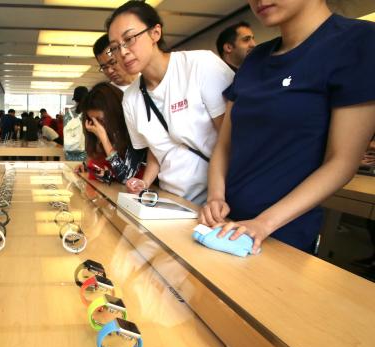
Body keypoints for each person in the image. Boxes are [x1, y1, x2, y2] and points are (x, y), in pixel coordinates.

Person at [199, 0, 375, 253]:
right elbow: (225, 145)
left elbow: (342, 162)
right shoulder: (254, 59)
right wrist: (215, 197)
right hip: (225, 225)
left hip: (282, 233)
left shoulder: (358, 41)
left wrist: (263, 224)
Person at [107, 1, 234, 205]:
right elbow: (157, 149)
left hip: (220, 199)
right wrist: (145, 182)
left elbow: (231, 138)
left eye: (129, 39)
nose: (123, 52)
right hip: (172, 200)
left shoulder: (200, 65)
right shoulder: (131, 98)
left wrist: (218, 196)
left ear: (155, 33)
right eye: (114, 47)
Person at [83, 83, 146, 184]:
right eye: (92, 120)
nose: (97, 126)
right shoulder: (109, 132)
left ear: (114, 112)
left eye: (100, 120)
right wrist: (88, 167)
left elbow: (126, 178)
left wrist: (104, 139)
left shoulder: (133, 129)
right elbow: (111, 172)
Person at [64, 86, 89, 161]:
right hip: (85, 150)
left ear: (75, 99)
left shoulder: (68, 112)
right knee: (83, 172)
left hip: (69, 150)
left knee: (71, 171)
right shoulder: (89, 112)